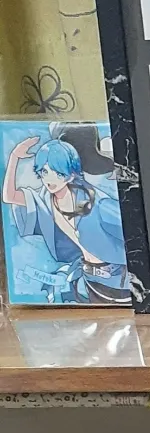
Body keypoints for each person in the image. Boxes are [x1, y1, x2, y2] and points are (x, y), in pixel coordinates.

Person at [2, 130, 130, 304]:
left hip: (119, 281)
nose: (50, 180)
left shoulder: (100, 204)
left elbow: (133, 236)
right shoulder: (46, 201)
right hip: (90, 279)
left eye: (59, 173)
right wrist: (15, 157)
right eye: (45, 172)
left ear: (71, 174)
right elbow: (9, 196)